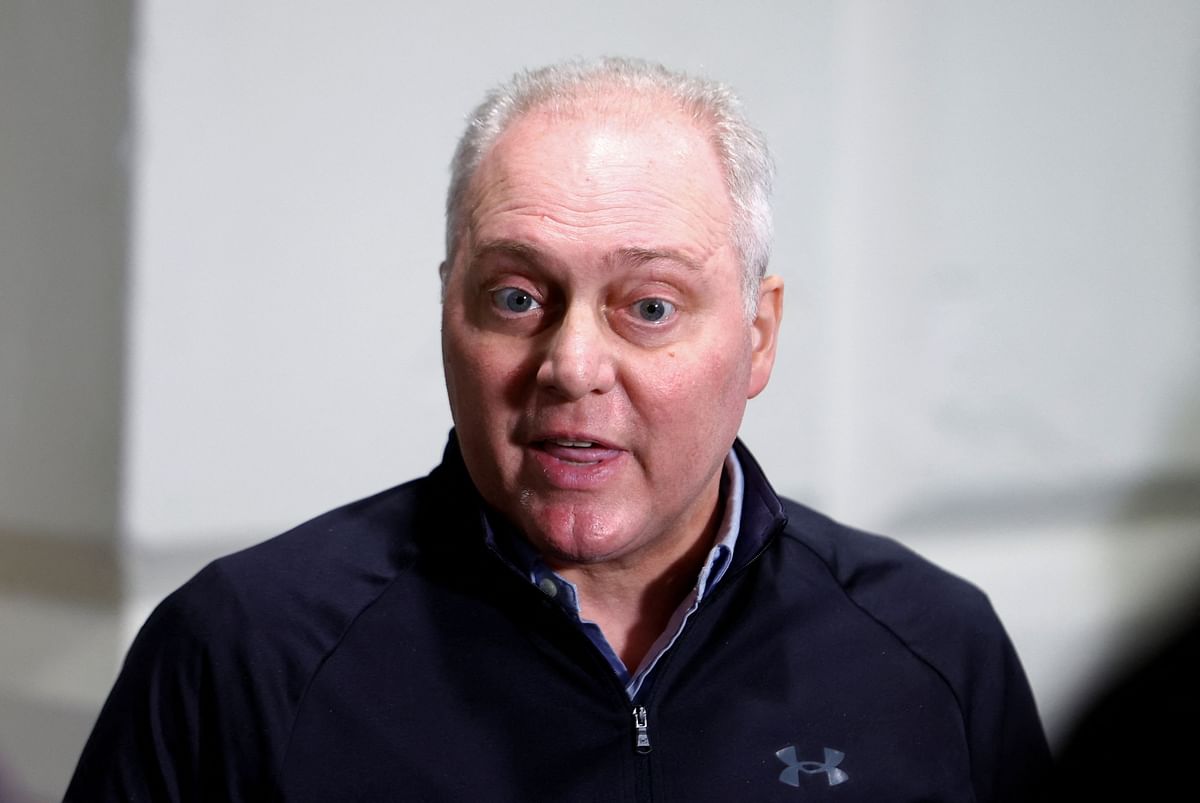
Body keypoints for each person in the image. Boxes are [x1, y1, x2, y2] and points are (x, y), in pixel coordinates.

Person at [66, 57, 1050, 802]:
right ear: (448, 310)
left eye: (650, 305)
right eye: (517, 294)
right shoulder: (241, 653)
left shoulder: (933, 650)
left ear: (758, 336)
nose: (572, 365)